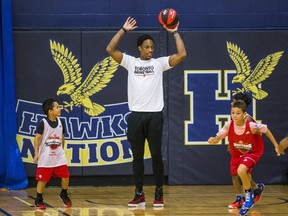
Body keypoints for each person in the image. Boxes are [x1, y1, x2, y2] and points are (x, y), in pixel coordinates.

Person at [106, 17, 186, 207]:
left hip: (154, 116)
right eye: (147, 47)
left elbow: (182, 54)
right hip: (136, 116)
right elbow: (110, 49)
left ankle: (159, 192)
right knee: (137, 156)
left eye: (152, 47)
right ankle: (139, 193)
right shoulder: (130, 62)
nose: (151, 50)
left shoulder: (159, 63)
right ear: (139, 48)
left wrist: (174, 32)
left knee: (156, 155)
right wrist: (123, 30)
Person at [208, 99, 282, 215]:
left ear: (244, 114)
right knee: (238, 174)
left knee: (242, 171)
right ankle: (249, 193)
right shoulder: (229, 125)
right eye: (233, 113)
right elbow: (218, 137)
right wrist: (213, 140)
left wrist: (276, 145)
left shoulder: (251, 126)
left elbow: (266, 129)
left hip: (252, 152)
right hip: (237, 154)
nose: (235, 115)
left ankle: (248, 197)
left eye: (238, 113)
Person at [33, 98, 72, 209]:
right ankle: (39, 199)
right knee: (43, 180)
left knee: (66, 176)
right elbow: (37, 139)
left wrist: (62, 150)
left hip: (59, 155)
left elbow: (62, 137)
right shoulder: (43, 123)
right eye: (57, 107)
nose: (60, 108)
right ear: (50, 111)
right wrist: (36, 153)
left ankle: (63, 193)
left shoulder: (61, 122)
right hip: (46, 156)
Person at [228, 93, 264, 209]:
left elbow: (255, 135)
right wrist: (232, 144)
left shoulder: (247, 118)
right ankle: (242, 196)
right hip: (238, 149)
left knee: (244, 173)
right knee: (235, 174)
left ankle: (247, 195)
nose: (231, 103)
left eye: (234, 101)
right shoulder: (235, 116)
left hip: (248, 151)